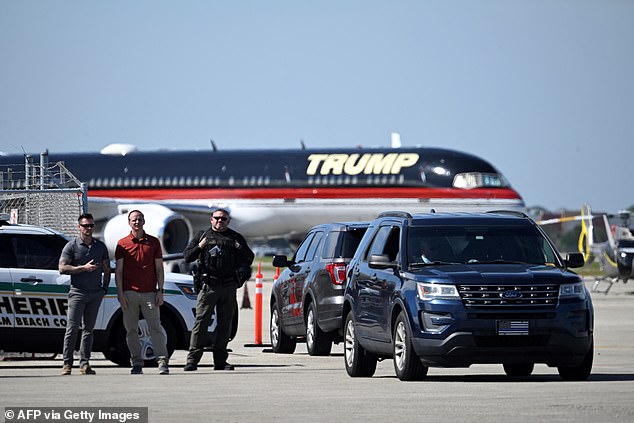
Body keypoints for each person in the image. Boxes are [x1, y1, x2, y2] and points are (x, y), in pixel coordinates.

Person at [183, 207, 254, 371]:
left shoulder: (235, 238)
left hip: (228, 286)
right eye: (216, 218)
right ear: (211, 219)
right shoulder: (202, 235)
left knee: (225, 326)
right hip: (208, 287)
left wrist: (239, 248)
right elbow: (187, 256)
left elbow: (249, 258)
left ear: (228, 222)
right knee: (200, 324)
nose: (219, 221)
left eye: (223, 219)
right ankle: (192, 361)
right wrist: (200, 246)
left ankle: (220, 361)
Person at [115, 210, 169, 375]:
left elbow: (159, 269)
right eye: (133, 220)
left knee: (156, 328)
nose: (137, 222)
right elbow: (119, 272)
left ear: (144, 221)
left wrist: (160, 291)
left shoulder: (153, 242)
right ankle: (136, 362)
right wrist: (120, 294)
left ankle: (162, 362)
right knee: (131, 330)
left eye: (139, 219)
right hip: (129, 293)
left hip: (149, 293)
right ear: (129, 222)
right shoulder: (122, 243)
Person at [58, 213, 110, 376]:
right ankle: (67, 363)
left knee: (89, 329)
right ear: (79, 227)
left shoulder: (100, 247)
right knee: (72, 328)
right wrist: (82, 268)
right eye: (85, 225)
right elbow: (62, 268)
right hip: (78, 292)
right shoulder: (71, 246)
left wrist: (104, 288)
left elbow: (107, 268)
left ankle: (85, 363)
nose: (88, 229)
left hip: (95, 293)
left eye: (91, 226)